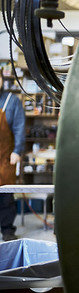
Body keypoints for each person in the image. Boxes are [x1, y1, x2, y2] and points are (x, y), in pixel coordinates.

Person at [0, 73, 25, 242]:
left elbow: (19, 127)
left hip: (5, 158)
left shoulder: (11, 101)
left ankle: (7, 230)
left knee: (6, 196)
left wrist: (17, 150)